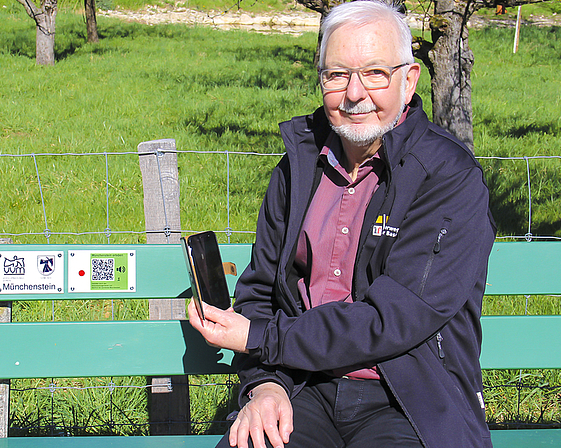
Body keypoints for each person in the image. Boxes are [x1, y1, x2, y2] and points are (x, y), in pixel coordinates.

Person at [188, 1, 496, 447]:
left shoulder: (447, 177)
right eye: (336, 75)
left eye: (375, 73)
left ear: (409, 81)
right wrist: (265, 385)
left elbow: (393, 319)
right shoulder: (298, 166)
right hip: (301, 387)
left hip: (409, 397)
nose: (354, 94)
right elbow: (259, 292)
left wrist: (260, 338)